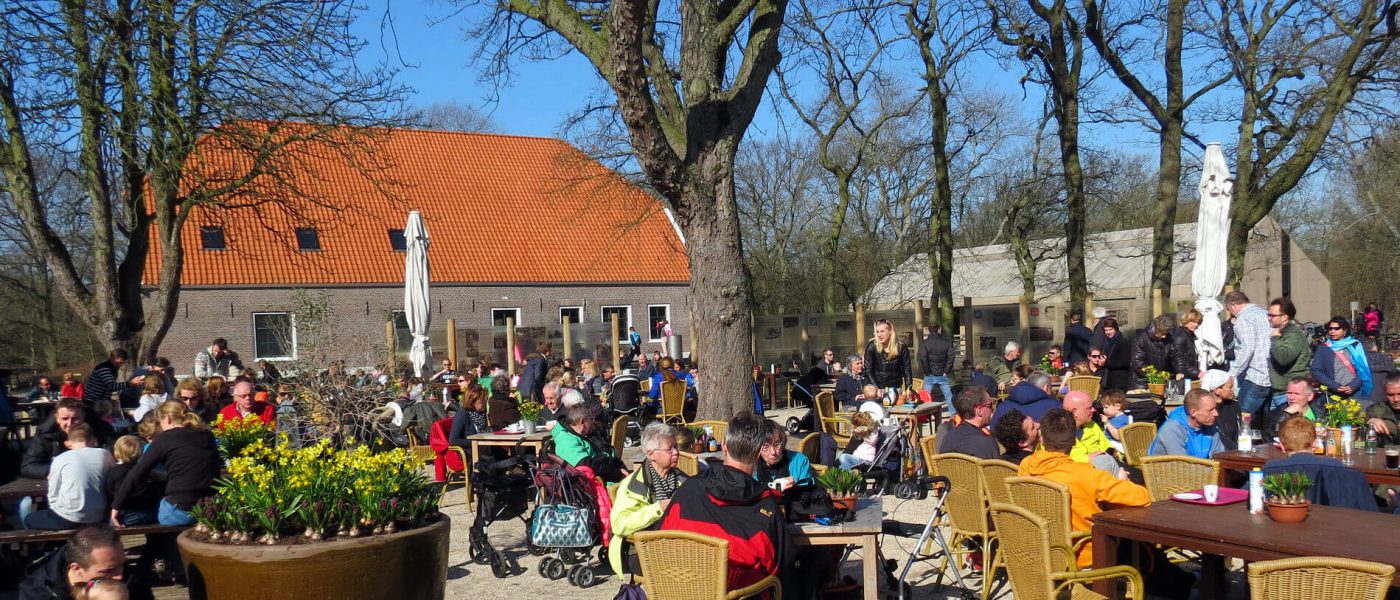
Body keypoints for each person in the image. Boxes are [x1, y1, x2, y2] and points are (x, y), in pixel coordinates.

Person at [660, 411, 786, 593]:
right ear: (759, 452)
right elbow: (779, 566)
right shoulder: (765, 507)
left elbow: (661, 541)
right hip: (738, 593)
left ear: (724, 446)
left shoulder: (688, 491)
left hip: (679, 589)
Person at [1017, 409, 1149, 568]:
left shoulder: (1026, 467)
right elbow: (1143, 497)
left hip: (1040, 553)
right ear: (1074, 441)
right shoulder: (1088, 474)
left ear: (1042, 439)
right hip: (1082, 556)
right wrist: (1123, 480)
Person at [112, 401, 220, 529]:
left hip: (181, 512)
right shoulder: (207, 435)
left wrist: (116, 506)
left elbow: (136, 475)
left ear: (167, 418)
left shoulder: (165, 439)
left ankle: (158, 547)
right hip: (211, 508)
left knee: (149, 511)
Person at [608, 423, 689, 575]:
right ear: (651, 454)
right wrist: (657, 509)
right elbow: (619, 525)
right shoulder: (633, 484)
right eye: (669, 449)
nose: (676, 452)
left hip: (676, 544)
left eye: (676, 447)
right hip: (642, 551)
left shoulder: (680, 479)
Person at [1263, 415, 1376, 511]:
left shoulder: (1269, 470)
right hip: (1335, 531)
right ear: (1316, 443)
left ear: (1281, 446)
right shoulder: (1342, 470)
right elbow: (1368, 511)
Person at [17, 526, 150, 600]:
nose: (120, 576)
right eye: (108, 571)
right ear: (77, 569)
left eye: (122, 564)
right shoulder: (37, 592)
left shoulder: (132, 579)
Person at [20, 424, 113, 530]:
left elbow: (53, 490)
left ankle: (46, 544)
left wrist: (55, 507)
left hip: (68, 517)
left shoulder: (61, 458)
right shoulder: (104, 454)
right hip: (98, 515)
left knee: (29, 519)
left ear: (67, 444)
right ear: (94, 440)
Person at [22, 399, 114, 480]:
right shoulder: (46, 437)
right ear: (57, 418)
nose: (70, 423)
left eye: (75, 418)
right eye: (65, 419)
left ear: (84, 416)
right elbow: (28, 466)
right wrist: (63, 470)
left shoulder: (100, 432)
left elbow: (114, 454)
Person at [550, 404, 627, 483]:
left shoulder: (587, 434)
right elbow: (587, 465)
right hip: (595, 485)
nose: (594, 423)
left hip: (608, 476)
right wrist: (618, 473)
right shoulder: (565, 440)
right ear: (583, 422)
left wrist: (620, 467)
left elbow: (607, 451)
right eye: (592, 419)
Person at [1225, 291, 1273, 413]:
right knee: (1266, 423)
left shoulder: (1244, 318)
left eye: (1229, 309)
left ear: (1233, 305)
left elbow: (1246, 348)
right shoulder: (1266, 314)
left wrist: (1232, 374)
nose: (1230, 313)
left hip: (1256, 376)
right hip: (1272, 375)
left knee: (1242, 419)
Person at [1310, 316, 1373, 401]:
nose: (1332, 331)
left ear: (1345, 330)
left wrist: (1353, 385)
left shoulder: (1355, 346)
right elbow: (1315, 370)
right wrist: (1333, 385)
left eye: (1336, 328)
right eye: (1330, 328)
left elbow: (1364, 368)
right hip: (1332, 394)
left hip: (1355, 393)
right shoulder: (1323, 348)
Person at [1149, 389, 1224, 459]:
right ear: (1193, 412)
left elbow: (1220, 457)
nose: (1216, 414)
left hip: (1202, 470)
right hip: (1168, 471)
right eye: (1210, 410)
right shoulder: (1171, 429)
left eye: (1216, 408)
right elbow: (1183, 465)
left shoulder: (1210, 425)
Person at [1062, 391, 1123, 477]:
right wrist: (1088, 458)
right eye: (1089, 408)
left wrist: (1118, 463)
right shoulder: (1058, 432)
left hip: (1107, 472)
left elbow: (1109, 447)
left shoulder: (1092, 425)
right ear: (1074, 411)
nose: (1094, 410)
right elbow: (1058, 460)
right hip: (1079, 477)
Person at [104, 436, 161, 526]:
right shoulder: (139, 471)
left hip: (123, 513)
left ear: (116, 451)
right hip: (136, 512)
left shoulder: (112, 471)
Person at [1268, 297, 1312, 411]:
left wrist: (1275, 339)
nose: (1269, 318)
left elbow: (1284, 357)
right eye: (1268, 315)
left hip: (1288, 394)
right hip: (1279, 391)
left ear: (1284, 317)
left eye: (1272, 316)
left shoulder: (1293, 335)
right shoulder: (1281, 332)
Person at [1259, 377, 1327, 443]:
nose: (1291, 398)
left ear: (1310, 396)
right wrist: (1285, 415)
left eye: (1297, 394)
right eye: (1289, 393)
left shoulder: (1322, 410)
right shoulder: (1276, 413)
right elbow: (1268, 439)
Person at [936, 387, 998, 459]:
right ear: (979, 411)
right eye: (990, 405)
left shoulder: (948, 437)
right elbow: (995, 469)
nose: (992, 410)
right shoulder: (986, 442)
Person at [1130, 315, 1186, 387]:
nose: (1164, 336)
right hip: (1142, 382)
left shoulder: (1168, 339)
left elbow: (1176, 356)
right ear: (1155, 329)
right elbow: (1138, 363)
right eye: (1162, 333)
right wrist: (1157, 376)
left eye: (1166, 334)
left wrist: (1179, 371)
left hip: (1161, 381)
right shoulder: (1141, 339)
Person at [757, 420, 815, 488]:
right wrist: (777, 489)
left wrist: (794, 487)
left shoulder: (799, 461)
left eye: (776, 445)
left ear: (783, 443)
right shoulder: (752, 465)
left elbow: (808, 490)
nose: (773, 452)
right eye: (765, 447)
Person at [992, 370, 1059, 425]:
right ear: (1046, 388)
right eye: (1051, 388)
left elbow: (993, 430)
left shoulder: (1003, 406)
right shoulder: (1054, 407)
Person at [1198, 369, 1242, 450]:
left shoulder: (1233, 406)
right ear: (1217, 390)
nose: (1233, 390)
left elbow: (1239, 434)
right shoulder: (1203, 411)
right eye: (1230, 387)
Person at [864, 319, 911, 392]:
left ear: (890, 331)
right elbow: (868, 370)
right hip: (878, 388)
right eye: (877, 332)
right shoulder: (872, 346)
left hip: (896, 388)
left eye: (882, 331)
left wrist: (909, 390)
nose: (879, 335)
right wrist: (876, 388)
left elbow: (907, 370)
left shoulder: (901, 347)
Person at [919, 323, 957, 410]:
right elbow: (951, 358)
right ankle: (954, 415)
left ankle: (925, 415)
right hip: (942, 373)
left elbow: (923, 359)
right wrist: (946, 371)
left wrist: (927, 372)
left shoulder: (925, 343)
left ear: (929, 330)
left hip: (930, 374)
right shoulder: (946, 342)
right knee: (948, 396)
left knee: (925, 396)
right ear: (939, 329)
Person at [1090, 318, 1131, 392]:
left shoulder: (1123, 342)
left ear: (1116, 329)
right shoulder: (1105, 342)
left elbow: (1126, 362)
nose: (1108, 332)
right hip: (1107, 380)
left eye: (1110, 329)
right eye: (1106, 330)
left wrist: (1106, 363)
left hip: (1119, 381)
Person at [82, 349, 127, 415]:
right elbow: (111, 386)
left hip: (100, 401)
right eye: (118, 363)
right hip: (92, 402)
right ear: (112, 358)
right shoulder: (104, 368)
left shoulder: (112, 368)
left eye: (122, 363)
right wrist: (129, 383)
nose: (120, 365)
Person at [447, 383, 491, 449]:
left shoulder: (481, 413)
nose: (484, 403)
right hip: (472, 452)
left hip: (485, 450)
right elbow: (453, 440)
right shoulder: (462, 415)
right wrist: (477, 442)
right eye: (481, 401)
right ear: (472, 401)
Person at [1366, 373, 1400, 446]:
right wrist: (1369, 421)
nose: (1396, 399)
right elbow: (1360, 419)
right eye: (1390, 395)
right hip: (1384, 454)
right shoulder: (1378, 409)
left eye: (1399, 394)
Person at [1169, 309, 1203, 381]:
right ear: (1186, 320)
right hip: (1182, 377)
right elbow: (1178, 359)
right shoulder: (1180, 336)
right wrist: (1196, 372)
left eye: (1198, 322)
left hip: (1188, 374)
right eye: (1193, 322)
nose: (1196, 325)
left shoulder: (1189, 335)